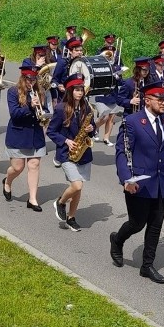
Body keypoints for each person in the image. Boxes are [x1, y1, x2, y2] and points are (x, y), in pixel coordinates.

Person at [111, 82, 164, 284]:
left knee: (155, 225)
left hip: (162, 182)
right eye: (160, 99)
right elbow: (122, 153)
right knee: (137, 223)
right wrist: (127, 178)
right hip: (139, 183)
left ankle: (147, 266)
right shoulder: (132, 122)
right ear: (148, 100)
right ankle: (117, 240)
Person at [47, 74, 97, 230]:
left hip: (83, 153)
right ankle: (60, 202)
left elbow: (93, 128)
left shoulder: (86, 107)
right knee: (77, 186)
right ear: (70, 91)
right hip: (67, 153)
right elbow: (51, 131)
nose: (80, 93)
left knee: (79, 187)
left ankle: (71, 217)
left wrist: (91, 129)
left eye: (81, 89)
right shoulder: (61, 108)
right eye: (76, 89)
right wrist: (66, 141)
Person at [3, 66, 49, 211]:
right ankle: (7, 181)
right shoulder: (13, 92)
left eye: (34, 79)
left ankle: (33, 199)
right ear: (23, 78)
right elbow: (15, 114)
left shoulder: (40, 92)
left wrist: (45, 114)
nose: (31, 82)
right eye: (29, 79)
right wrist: (30, 105)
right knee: (18, 168)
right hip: (18, 134)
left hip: (36, 135)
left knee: (34, 165)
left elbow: (46, 110)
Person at [92, 44, 121, 146]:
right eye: (107, 53)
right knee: (104, 116)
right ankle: (94, 127)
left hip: (113, 95)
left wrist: (118, 76)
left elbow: (120, 82)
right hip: (101, 95)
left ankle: (106, 138)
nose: (110, 54)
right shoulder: (99, 66)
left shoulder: (116, 66)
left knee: (111, 118)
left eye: (112, 53)